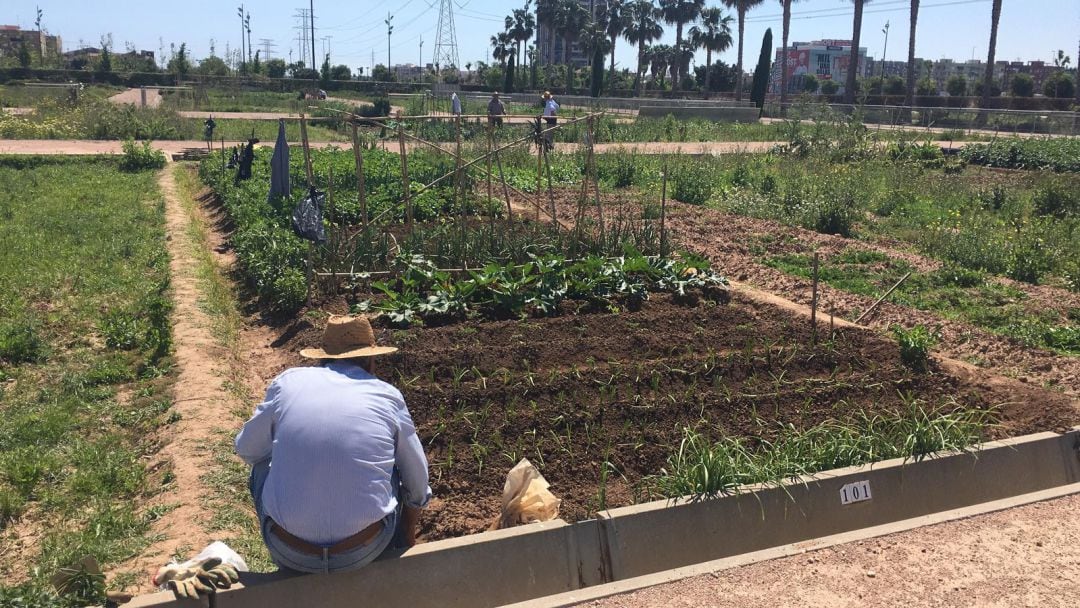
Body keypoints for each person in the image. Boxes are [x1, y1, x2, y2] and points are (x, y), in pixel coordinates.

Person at [235, 315, 431, 575]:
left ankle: (290, 560)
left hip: (289, 551)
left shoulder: (288, 383)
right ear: (372, 362)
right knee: (394, 467)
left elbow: (247, 449)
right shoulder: (387, 395)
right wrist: (407, 535)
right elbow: (417, 481)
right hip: (365, 550)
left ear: (321, 358)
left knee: (262, 466)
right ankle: (391, 554)